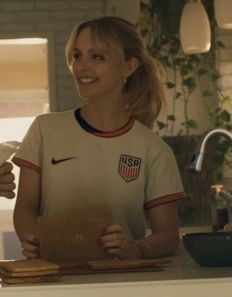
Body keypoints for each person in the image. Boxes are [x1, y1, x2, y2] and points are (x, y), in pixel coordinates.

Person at [12, 16, 185, 260]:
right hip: (54, 282)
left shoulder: (153, 150)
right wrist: (34, 239)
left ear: (129, 66)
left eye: (97, 57)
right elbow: (26, 208)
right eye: (76, 55)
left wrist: (134, 249)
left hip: (122, 284)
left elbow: (168, 236)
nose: (81, 66)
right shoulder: (44, 129)